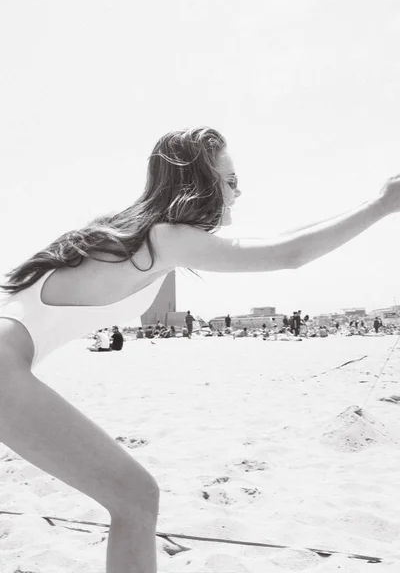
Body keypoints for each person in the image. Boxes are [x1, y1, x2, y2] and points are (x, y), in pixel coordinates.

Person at [0, 126, 399, 573]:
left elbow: (283, 237)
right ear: (199, 183)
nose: (238, 192)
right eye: (229, 181)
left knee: (133, 498)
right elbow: (289, 253)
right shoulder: (163, 238)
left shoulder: (131, 232)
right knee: (135, 498)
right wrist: (381, 205)